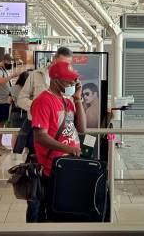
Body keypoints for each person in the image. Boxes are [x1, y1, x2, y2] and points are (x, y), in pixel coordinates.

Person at [30, 60, 86, 222]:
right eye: (68, 79)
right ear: (55, 79)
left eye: (73, 79)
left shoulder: (67, 100)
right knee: (53, 211)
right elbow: (40, 136)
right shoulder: (43, 101)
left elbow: (82, 128)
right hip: (53, 168)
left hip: (69, 164)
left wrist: (78, 99)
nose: (72, 82)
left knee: (67, 210)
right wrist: (68, 149)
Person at [0, 53, 20, 155]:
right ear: (3, 61)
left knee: (2, 123)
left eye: (11, 62)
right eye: (8, 61)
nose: (10, 63)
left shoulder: (5, 71)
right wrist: (12, 76)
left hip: (4, 101)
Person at [9, 70, 31, 153]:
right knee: (26, 134)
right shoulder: (29, 88)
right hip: (27, 113)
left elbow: (9, 101)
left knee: (14, 134)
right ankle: (26, 152)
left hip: (15, 113)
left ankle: (14, 152)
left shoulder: (13, 88)